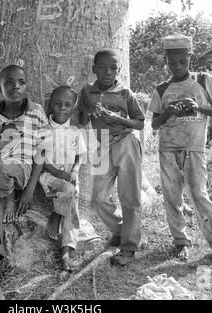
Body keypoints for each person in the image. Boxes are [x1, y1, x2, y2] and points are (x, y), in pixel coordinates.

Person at [148, 34, 212, 262]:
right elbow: (154, 124)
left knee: (198, 194)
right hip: (168, 149)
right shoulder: (162, 89)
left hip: (194, 148)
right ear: (165, 61)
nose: (177, 66)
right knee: (172, 197)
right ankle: (181, 241)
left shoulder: (203, 80)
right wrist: (168, 112)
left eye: (182, 62)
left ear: (190, 57)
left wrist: (198, 107)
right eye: (171, 62)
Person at [0, 65, 51, 299]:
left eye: (20, 82)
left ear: (27, 87)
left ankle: (9, 197)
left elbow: (42, 152)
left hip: (20, 171)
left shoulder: (36, 112)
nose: (15, 86)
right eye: (8, 82)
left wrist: (28, 190)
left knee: (1, 169)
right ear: (0, 88)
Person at [78, 49, 145, 267]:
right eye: (102, 67)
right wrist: (88, 110)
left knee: (130, 197)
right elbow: (79, 119)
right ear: (94, 69)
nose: (108, 72)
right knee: (98, 198)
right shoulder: (87, 91)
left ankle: (128, 247)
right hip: (102, 145)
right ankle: (119, 230)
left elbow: (140, 122)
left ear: (119, 70)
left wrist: (117, 118)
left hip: (126, 143)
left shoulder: (125, 93)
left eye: (113, 68)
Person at [39, 86, 87, 271]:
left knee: (70, 194)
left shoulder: (75, 130)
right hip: (49, 177)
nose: (62, 108)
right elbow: (39, 159)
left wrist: (75, 170)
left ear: (73, 107)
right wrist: (56, 172)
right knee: (68, 191)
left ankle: (66, 246)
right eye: (57, 104)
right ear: (50, 105)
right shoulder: (44, 129)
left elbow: (80, 156)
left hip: (69, 177)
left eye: (67, 105)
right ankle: (58, 219)